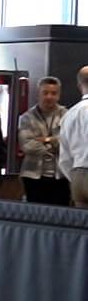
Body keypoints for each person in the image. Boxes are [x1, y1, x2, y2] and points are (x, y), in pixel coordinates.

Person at [18, 77, 70, 205]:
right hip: (33, 176)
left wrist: (45, 140)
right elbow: (27, 146)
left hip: (61, 176)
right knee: (35, 216)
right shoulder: (26, 117)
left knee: (60, 216)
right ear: (38, 94)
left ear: (59, 95)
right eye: (45, 93)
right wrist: (54, 143)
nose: (49, 97)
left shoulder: (67, 115)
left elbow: (67, 145)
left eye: (53, 93)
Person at [59, 66, 88, 209]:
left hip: (77, 177)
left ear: (79, 85)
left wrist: (75, 177)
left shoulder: (69, 114)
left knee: (81, 227)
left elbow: (64, 157)